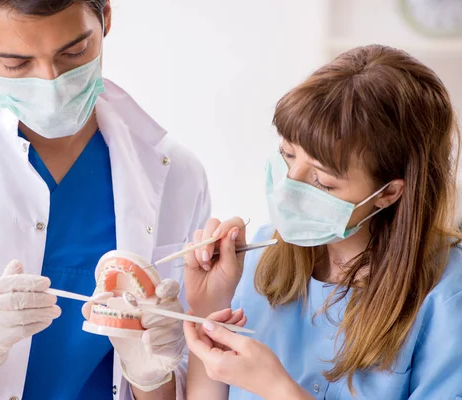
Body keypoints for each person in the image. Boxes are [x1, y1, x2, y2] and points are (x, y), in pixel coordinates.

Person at [0, 1, 210, 399]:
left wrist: (151, 377)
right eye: (16, 63)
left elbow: (190, 383)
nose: (51, 80)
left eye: (74, 52)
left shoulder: (176, 174)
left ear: (106, 18)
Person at [182, 45, 462, 399]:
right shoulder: (258, 257)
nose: (288, 187)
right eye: (287, 155)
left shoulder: (447, 297)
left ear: (388, 193)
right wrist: (208, 308)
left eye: (323, 181)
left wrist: (278, 389)